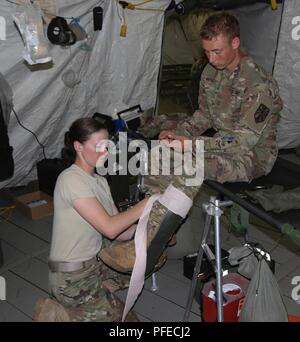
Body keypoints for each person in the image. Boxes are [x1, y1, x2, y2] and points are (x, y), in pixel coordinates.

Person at [99, 12, 283, 272]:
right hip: (219, 146)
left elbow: (242, 142)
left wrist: (192, 144)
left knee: (189, 167)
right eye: (207, 52)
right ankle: (160, 229)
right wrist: (178, 132)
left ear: (235, 43)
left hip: (251, 157)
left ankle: (149, 244)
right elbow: (204, 115)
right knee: (161, 154)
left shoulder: (259, 86)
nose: (211, 58)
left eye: (217, 51)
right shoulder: (211, 72)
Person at [36, 117, 148, 322]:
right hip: (70, 279)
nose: (105, 152)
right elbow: (110, 228)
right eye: (98, 146)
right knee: (128, 321)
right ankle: (66, 313)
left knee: (149, 259)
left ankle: (94, 299)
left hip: (94, 265)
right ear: (78, 146)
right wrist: (145, 205)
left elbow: (121, 232)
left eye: (107, 145)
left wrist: (149, 226)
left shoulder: (99, 181)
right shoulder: (71, 179)